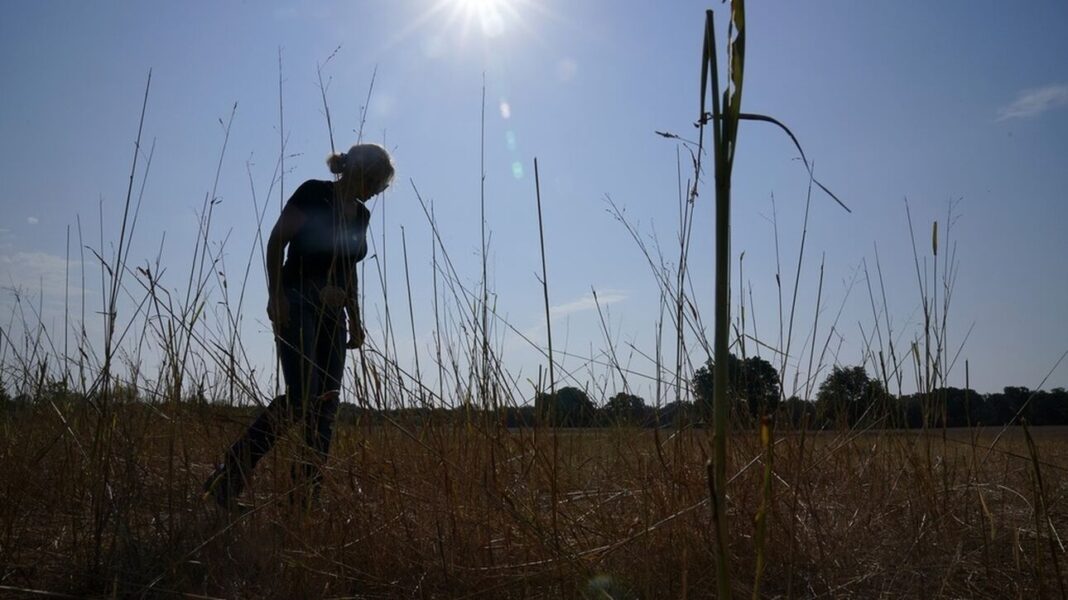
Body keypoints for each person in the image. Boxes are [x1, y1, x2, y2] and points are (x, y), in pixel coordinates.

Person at [203, 143, 394, 511]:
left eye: (380, 187)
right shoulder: (313, 192)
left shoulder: (362, 215)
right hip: (298, 301)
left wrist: (355, 318)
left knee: (325, 404)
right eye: (374, 182)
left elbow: (348, 268)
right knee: (302, 396)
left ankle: (304, 499)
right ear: (358, 172)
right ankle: (229, 478)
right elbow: (278, 241)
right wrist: (276, 294)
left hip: (332, 315)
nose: (375, 192)